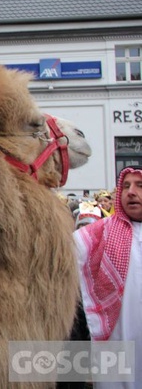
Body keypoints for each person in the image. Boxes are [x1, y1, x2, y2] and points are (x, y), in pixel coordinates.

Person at [74, 166, 142, 389]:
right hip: (117, 342)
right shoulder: (99, 233)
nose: (131, 192)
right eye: (125, 186)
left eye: (139, 186)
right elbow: (59, 254)